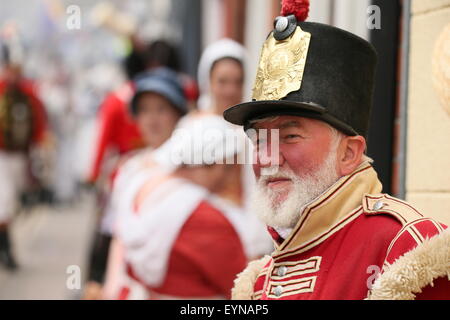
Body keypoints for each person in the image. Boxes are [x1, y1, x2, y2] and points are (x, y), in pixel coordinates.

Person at [223, 0, 449, 300]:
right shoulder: (257, 281)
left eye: (290, 136)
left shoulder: (409, 251)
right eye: (260, 140)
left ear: (348, 154)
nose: (267, 158)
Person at [114, 114, 259, 299]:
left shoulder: (140, 187)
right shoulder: (206, 219)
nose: (229, 176)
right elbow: (243, 289)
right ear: (216, 163)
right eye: (229, 165)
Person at [84, 67, 187, 299]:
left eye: (161, 109)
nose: (152, 119)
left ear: (178, 114)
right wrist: (110, 288)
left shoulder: (193, 166)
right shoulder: (128, 169)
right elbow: (118, 239)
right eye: (144, 110)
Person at [0, 37, 49, 270]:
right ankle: (6, 249)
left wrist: (36, 153)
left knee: (9, 205)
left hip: (18, 156)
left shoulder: (29, 92)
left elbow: (39, 124)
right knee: (3, 204)